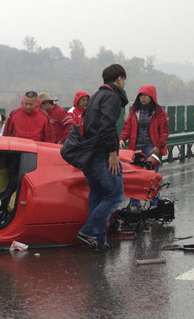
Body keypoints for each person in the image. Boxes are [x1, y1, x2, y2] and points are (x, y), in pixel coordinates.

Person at [77, 64, 128, 252]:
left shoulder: (96, 96)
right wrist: (113, 154)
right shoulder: (112, 97)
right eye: (124, 80)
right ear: (120, 79)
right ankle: (90, 230)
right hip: (101, 155)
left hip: (88, 155)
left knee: (97, 195)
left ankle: (98, 240)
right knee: (115, 195)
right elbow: (107, 127)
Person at [119, 85, 169, 207]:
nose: (143, 98)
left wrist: (158, 146)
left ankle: (154, 205)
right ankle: (135, 205)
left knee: (152, 177)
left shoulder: (160, 113)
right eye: (141, 95)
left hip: (152, 149)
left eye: (145, 95)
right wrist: (122, 139)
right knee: (135, 178)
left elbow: (164, 132)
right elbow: (127, 128)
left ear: (152, 97)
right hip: (136, 148)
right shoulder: (134, 111)